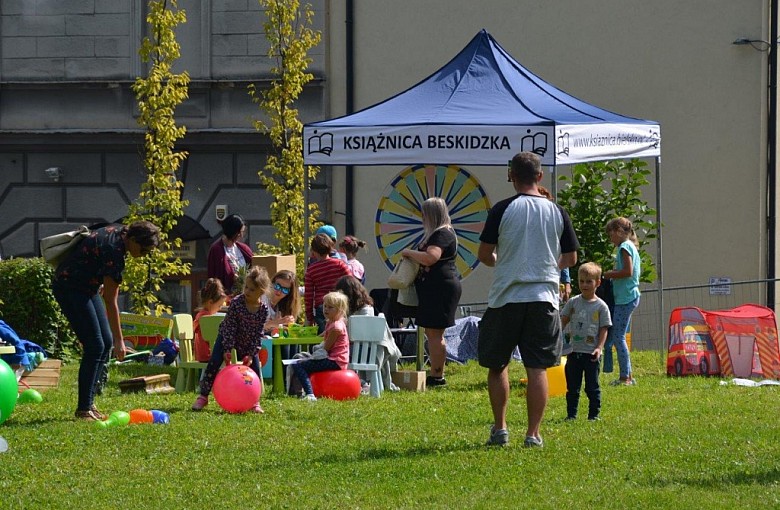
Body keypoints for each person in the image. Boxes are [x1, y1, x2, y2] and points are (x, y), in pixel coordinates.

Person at [477, 151, 579, 448]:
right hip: (544, 297)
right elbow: (571, 257)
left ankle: (500, 429)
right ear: (540, 176)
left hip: (506, 297)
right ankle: (533, 434)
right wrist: (546, 266)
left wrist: (507, 262)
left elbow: (484, 255)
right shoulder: (556, 211)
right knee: (537, 368)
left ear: (511, 176)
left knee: (497, 366)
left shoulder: (501, 209)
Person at [52, 220, 160, 421]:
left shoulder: (119, 230)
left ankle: (90, 404)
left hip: (87, 286)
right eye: (143, 250)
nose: (143, 255)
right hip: (70, 287)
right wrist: (121, 341)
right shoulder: (115, 252)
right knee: (95, 345)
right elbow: (111, 301)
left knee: (105, 343)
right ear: (134, 240)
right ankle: (83, 409)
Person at [400, 197, 462, 387]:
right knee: (432, 332)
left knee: (435, 334)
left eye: (424, 213)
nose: (422, 217)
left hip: (440, 288)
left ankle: (437, 375)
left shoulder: (442, 234)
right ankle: (435, 372)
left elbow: (431, 257)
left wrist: (409, 253)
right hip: (433, 288)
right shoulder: (436, 234)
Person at [192, 266, 270, 413]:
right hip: (226, 338)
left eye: (252, 289)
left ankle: (254, 401)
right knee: (214, 363)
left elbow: (258, 333)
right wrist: (227, 348)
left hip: (247, 342)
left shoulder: (263, 310)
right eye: (246, 287)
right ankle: (203, 396)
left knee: (254, 369)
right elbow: (229, 326)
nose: (247, 291)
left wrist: (252, 353)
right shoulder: (237, 302)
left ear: (262, 291)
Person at [560, 262, 612, 421]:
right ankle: (571, 415)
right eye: (581, 281)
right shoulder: (573, 302)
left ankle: (593, 415)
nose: (584, 284)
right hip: (573, 352)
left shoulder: (601, 306)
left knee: (592, 387)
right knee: (572, 387)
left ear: (598, 283)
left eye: (589, 281)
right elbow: (563, 320)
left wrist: (599, 347)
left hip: (591, 354)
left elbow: (604, 328)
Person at [335, 275, 401, 392]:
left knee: (337, 352)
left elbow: (360, 333)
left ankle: (354, 382)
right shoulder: (350, 309)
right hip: (360, 348)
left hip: (368, 349)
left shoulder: (366, 309)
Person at [291, 291, 351, 401]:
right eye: (325, 306)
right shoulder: (331, 322)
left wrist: (312, 355)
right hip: (334, 359)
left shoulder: (336, 327)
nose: (326, 309)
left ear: (340, 310)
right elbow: (323, 335)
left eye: (330, 307)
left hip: (336, 361)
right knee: (303, 361)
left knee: (299, 365)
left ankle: (309, 394)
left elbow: (325, 349)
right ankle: (299, 391)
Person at [603, 217, 641, 386]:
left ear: (619, 231)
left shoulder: (624, 247)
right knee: (621, 336)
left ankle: (624, 377)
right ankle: (629, 375)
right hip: (628, 296)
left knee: (618, 337)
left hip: (625, 298)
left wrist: (606, 274)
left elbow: (627, 271)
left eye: (611, 235)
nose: (610, 239)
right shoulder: (630, 246)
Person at [304, 233, 350, 333]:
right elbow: (350, 282)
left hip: (323, 306)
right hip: (339, 305)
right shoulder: (340, 264)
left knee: (323, 337)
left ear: (314, 251)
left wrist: (310, 317)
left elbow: (308, 296)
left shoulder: (311, 270)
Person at [207, 214, 253, 296]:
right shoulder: (216, 250)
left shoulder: (243, 248)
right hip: (227, 296)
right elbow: (214, 276)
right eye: (240, 232)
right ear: (233, 232)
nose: (242, 235)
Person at [193, 278, 227, 362]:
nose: (219, 309)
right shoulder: (205, 318)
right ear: (210, 302)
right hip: (208, 355)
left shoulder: (201, 315)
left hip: (204, 355)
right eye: (219, 306)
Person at [261, 269, 300, 334]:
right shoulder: (262, 299)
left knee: (287, 336)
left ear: (289, 293)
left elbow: (274, 332)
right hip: (255, 340)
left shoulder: (282, 307)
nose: (279, 291)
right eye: (277, 286)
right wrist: (274, 323)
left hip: (270, 339)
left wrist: (288, 325)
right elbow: (252, 328)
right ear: (272, 283)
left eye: (285, 290)